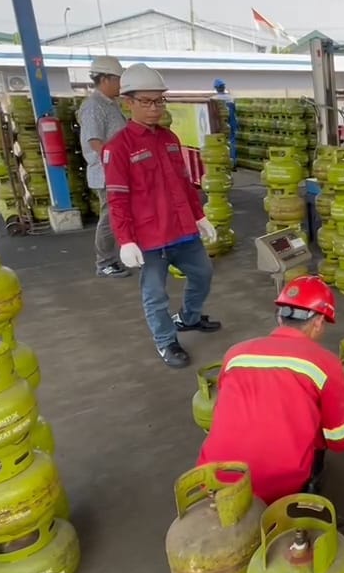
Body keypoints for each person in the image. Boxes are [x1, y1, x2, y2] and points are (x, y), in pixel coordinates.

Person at [104, 63, 222, 369]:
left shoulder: (169, 138)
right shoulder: (118, 148)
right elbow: (117, 199)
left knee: (203, 273)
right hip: (150, 238)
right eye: (146, 101)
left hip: (183, 231)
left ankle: (189, 317)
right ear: (127, 102)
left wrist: (199, 216)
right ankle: (166, 341)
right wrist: (126, 240)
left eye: (159, 101)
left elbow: (183, 183)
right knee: (155, 294)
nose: (155, 108)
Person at [197, 276, 344, 502]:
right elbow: (338, 441)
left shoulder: (236, 353)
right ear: (319, 321)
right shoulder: (326, 363)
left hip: (212, 478)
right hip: (275, 487)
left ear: (280, 317)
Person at [77, 55, 129, 279]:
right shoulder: (93, 106)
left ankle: (131, 253)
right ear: (105, 78)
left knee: (125, 215)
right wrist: (116, 163)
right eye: (119, 79)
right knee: (110, 219)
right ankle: (105, 262)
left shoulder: (111, 104)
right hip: (107, 174)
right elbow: (94, 141)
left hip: (120, 171)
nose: (122, 84)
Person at [211, 78, 238, 168]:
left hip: (219, 124)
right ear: (224, 87)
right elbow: (234, 111)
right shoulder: (230, 98)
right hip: (231, 122)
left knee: (221, 142)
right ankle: (233, 162)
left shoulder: (213, 99)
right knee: (232, 141)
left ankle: (223, 163)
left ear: (216, 88)